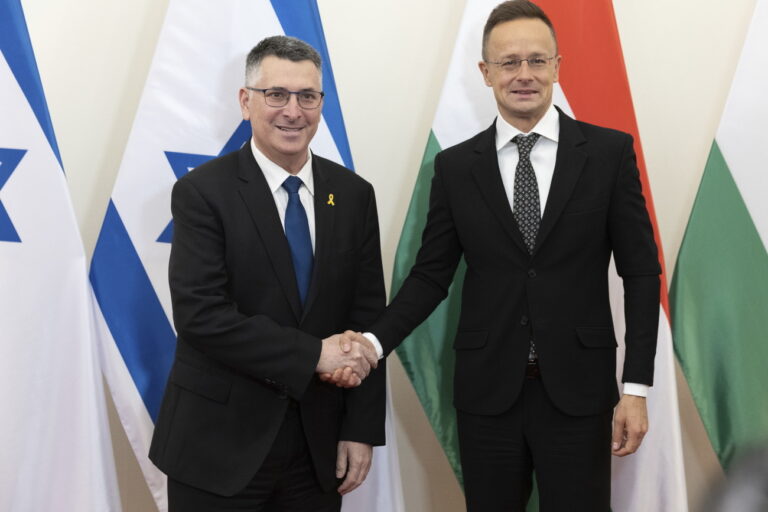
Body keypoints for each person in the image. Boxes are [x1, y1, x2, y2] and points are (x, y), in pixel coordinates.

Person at [327, 1, 661, 510]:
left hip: (580, 392)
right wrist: (372, 343)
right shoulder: (456, 167)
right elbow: (430, 277)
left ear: (556, 67)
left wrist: (635, 386)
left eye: (536, 60)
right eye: (509, 62)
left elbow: (640, 272)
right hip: (488, 396)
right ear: (485, 73)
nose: (523, 74)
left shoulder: (608, 153)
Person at [149, 35, 386, 512]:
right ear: (246, 101)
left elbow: (367, 319)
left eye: (307, 96)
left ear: (321, 104)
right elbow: (201, 316)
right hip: (217, 447)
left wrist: (360, 429)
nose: (292, 111)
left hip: (316, 450)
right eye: (276, 94)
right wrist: (313, 354)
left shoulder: (354, 195)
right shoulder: (202, 192)